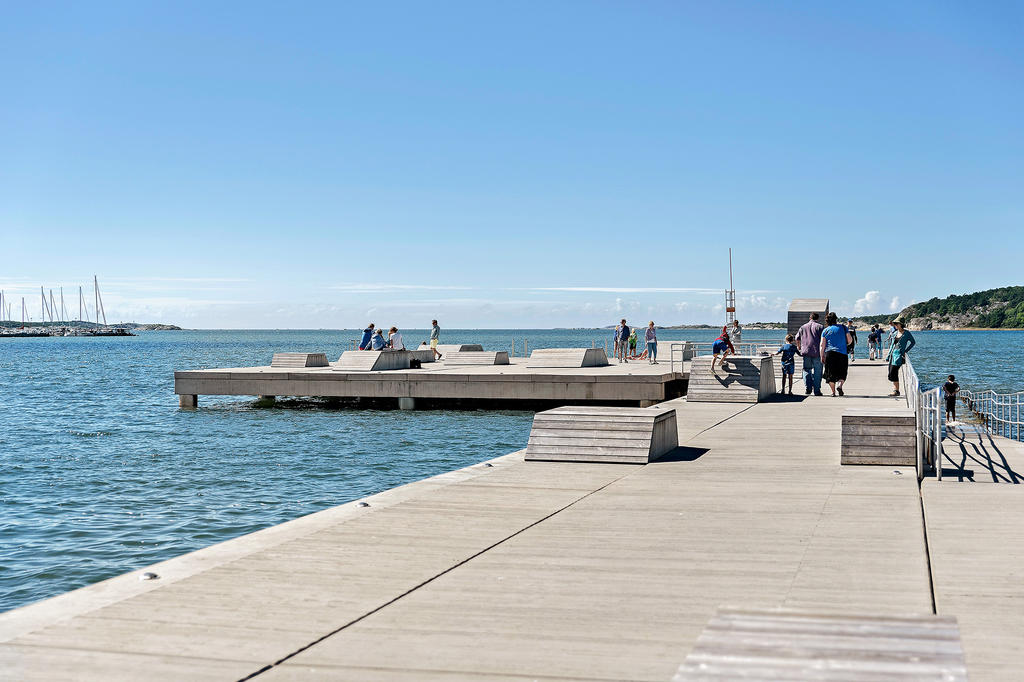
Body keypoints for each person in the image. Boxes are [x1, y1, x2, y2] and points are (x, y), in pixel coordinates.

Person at [820, 312, 852, 397]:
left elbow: (822, 345)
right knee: (842, 372)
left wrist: (822, 355)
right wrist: (844, 343)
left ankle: (833, 392)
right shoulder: (843, 327)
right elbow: (850, 340)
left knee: (830, 374)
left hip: (830, 354)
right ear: (836, 319)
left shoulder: (825, 330)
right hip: (842, 353)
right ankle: (840, 386)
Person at [886, 317, 916, 397]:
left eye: (896, 323)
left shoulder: (907, 333)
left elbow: (913, 342)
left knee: (894, 372)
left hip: (899, 356)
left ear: (901, 324)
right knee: (891, 373)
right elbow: (892, 345)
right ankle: (896, 390)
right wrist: (888, 355)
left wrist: (905, 351)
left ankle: (896, 391)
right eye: (895, 324)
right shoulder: (895, 333)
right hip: (892, 355)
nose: (895, 325)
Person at [797, 312, 824, 396]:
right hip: (817, 352)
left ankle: (808, 388)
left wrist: (799, 347)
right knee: (818, 371)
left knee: (806, 370)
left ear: (810, 318)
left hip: (806, 351)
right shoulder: (820, 327)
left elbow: (797, 338)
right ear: (817, 318)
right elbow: (824, 339)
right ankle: (817, 390)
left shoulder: (803, 327)